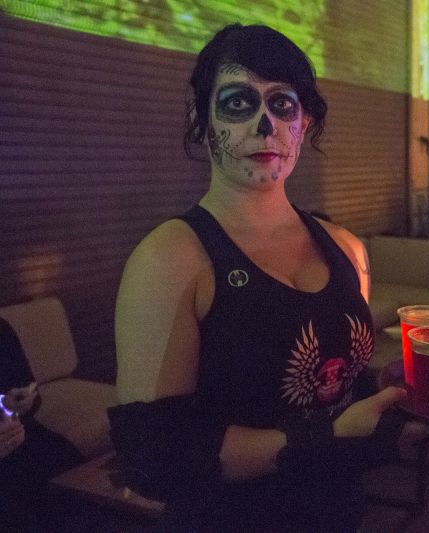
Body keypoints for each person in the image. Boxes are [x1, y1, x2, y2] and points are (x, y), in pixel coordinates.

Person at [109, 23, 407, 531]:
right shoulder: (171, 259)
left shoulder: (346, 248)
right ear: (200, 120)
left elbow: (331, 394)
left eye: (282, 105)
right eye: (238, 104)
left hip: (336, 512)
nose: (265, 126)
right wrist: (328, 438)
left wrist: (392, 393)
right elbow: (155, 450)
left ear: (304, 122)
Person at [0, 317, 83, 531]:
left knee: (72, 468)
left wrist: (18, 403)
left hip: (22, 433)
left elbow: (29, 390)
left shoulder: (2, 329)